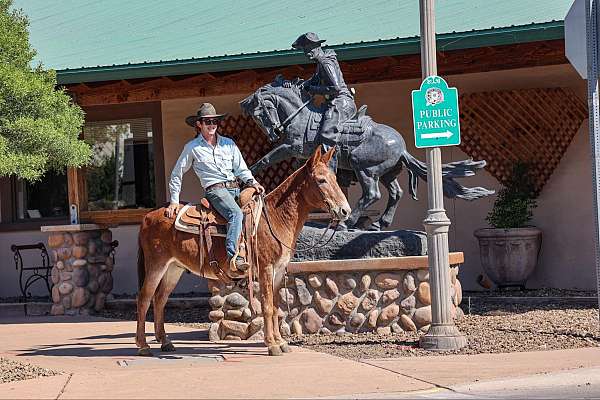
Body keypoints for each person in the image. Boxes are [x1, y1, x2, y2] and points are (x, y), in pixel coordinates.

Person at [165, 103, 265, 271]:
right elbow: (177, 173)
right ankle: (234, 258)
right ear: (199, 124)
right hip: (215, 190)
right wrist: (174, 201)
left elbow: (241, 169)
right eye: (207, 121)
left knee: (256, 214)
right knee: (235, 213)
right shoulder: (192, 148)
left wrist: (253, 182)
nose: (212, 125)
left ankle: (256, 255)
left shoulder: (229, 143)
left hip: (236, 188)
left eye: (214, 121)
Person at [285, 32, 358, 171]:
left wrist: (313, 89)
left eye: (308, 49)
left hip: (341, 103)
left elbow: (335, 88)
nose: (306, 53)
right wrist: (294, 85)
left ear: (317, 46)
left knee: (326, 134)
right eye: (304, 50)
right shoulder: (320, 64)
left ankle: (328, 172)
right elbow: (310, 83)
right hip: (334, 103)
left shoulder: (325, 62)